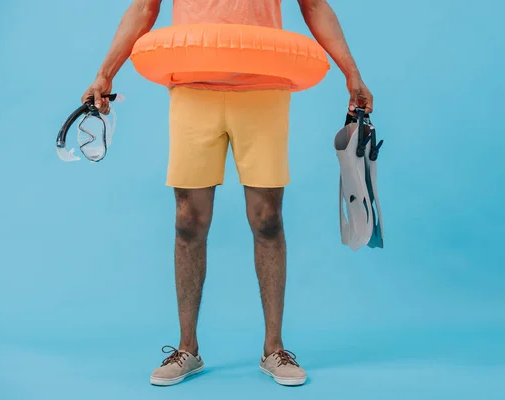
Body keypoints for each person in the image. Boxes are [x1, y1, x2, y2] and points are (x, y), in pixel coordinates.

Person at [81, 0, 373, 387]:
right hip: (193, 89)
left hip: (264, 88)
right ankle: (188, 348)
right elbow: (143, 8)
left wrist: (351, 73)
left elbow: (315, 6)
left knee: (267, 218)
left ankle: (274, 348)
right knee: (188, 220)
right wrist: (105, 73)